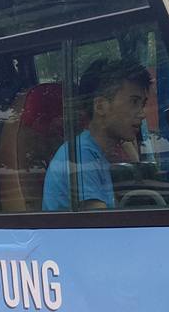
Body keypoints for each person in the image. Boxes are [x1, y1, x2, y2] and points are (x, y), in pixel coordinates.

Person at [42, 60, 152, 211]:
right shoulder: (82, 156)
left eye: (143, 104)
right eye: (134, 102)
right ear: (100, 106)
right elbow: (101, 221)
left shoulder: (94, 153)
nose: (142, 114)